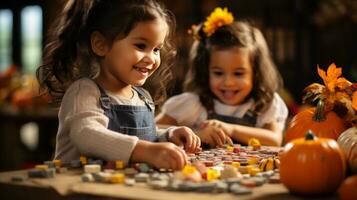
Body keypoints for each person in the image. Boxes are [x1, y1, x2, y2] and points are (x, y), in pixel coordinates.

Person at [36, 0, 201, 170]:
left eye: (156, 49)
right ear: (101, 45)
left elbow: (141, 137)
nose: (151, 59)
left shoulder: (142, 97)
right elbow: (87, 135)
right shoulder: (84, 92)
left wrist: (168, 135)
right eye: (141, 46)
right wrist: (148, 151)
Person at [156, 7, 288, 147]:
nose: (228, 83)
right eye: (218, 73)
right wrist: (195, 132)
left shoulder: (263, 104)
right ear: (206, 71)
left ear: (255, 72)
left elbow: (275, 140)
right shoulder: (194, 104)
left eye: (238, 73)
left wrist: (231, 129)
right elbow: (152, 129)